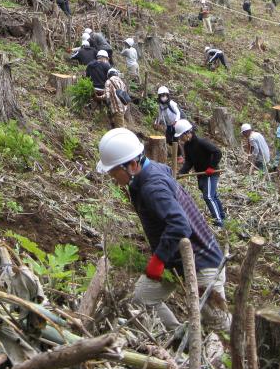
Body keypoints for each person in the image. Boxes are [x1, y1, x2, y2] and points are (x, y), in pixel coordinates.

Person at [95, 128, 229, 334]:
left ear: (132, 165)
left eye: (114, 172)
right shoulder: (149, 173)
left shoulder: (152, 187)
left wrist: (158, 259)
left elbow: (179, 225)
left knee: (219, 326)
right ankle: (178, 338)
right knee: (142, 299)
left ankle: (235, 360)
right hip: (176, 260)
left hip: (202, 261)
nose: (113, 178)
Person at [176, 120, 225, 227]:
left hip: (210, 173)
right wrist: (181, 172)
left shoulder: (201, 142)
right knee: (213, 195)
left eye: (181, 136)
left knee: (208, 196)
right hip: (201, 174)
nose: (180, 139)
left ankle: (218, 221)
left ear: (187, 133)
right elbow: (189, 162)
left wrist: (211, 167)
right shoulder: (187, 146)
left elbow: (217, 152)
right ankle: (222, 215)